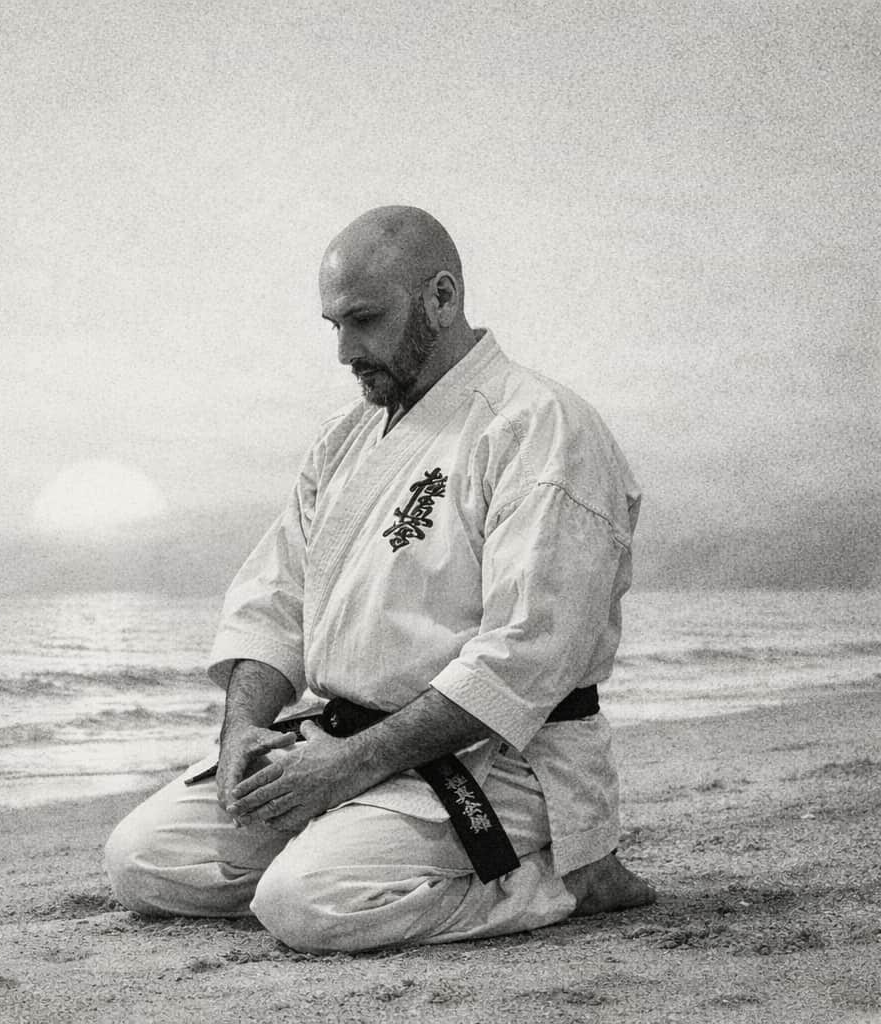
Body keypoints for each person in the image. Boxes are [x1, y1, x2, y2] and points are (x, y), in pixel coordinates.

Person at [104, 205, 655, 953]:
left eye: (363, 320)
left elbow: (527, 654)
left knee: (308, 906)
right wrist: (243, 733)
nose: (343, 350)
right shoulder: (344, 441)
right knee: (143, 862)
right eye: (333, 324)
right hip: (341, 744)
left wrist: (350, 767)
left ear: (442, 297)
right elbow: (276, 601)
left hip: (497, 760)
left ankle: (567, 879)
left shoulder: (540, 427)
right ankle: (358, 845)